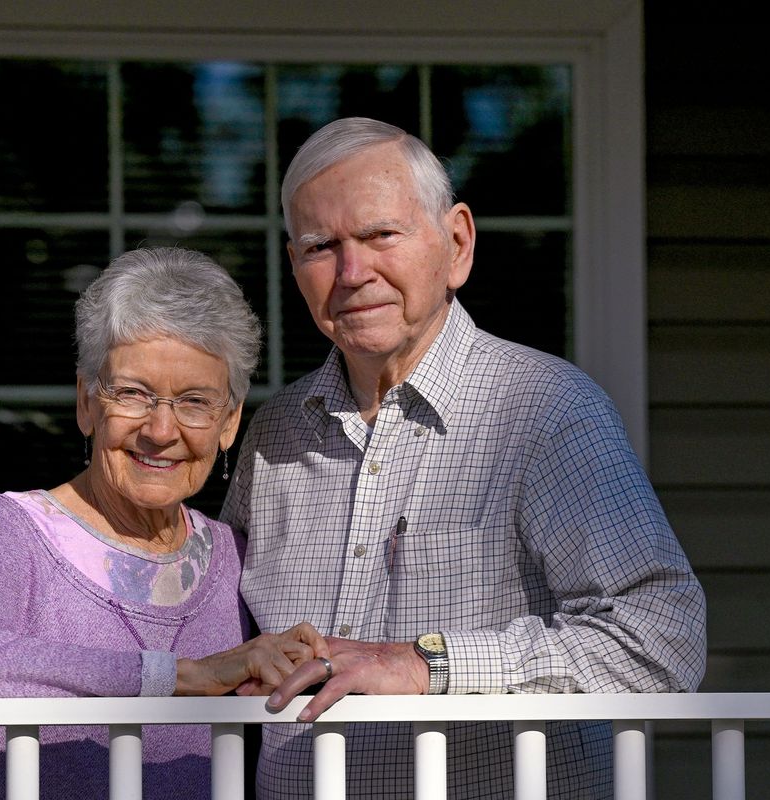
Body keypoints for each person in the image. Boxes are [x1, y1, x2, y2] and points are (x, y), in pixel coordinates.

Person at [220, 117, 708, 798]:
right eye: (321, 246)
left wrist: (427, 663)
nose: (354, 271)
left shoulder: (547, 409)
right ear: (295, 267)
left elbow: (662, 637)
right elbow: (218, 646)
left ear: (456, 242)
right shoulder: (274, 438)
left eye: (380, 234)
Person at [0, 246, 328, 800]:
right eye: (134, 394)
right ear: (86, 403)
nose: (161, 431)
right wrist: (184, 676)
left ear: (229, 422)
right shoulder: (8, 530)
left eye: (194, 401)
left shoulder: (234, 555)